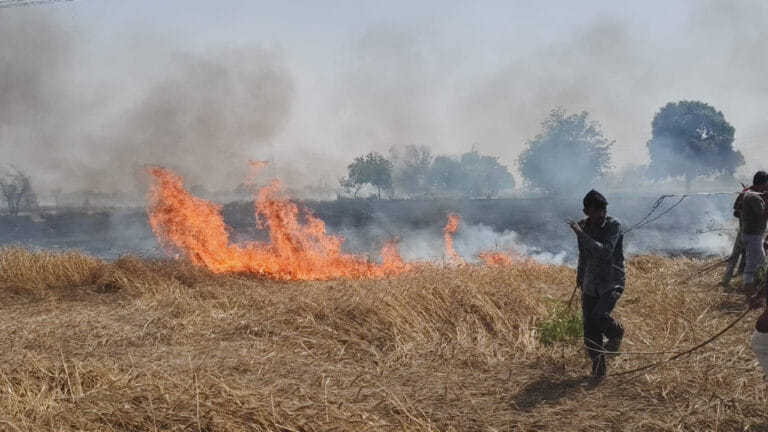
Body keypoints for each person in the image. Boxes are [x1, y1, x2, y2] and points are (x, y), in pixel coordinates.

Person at [567, 190, 625, 379]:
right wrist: (580, 275)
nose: (601, 214)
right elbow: (583, 253)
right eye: (596, 211)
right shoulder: (583, 226)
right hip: (591, 283)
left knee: (600, 316)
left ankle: (616, 333)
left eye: (603, 210)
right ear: (586, 211)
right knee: (589, 330)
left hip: (612, 281)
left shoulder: (613, 225)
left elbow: (605, 252)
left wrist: (581, 234)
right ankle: (599, 370)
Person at [742, 171, 768, 375]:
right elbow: (761, 215)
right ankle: (750, 291)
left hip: (752, 233)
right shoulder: (752, 196)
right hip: (752, 234)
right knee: (754, 264)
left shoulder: (752, 195)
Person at [721, 185, 751, 287]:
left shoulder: (748, 192)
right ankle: (743, 282)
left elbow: (736, 212)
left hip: (745, 230)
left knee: (740, 256)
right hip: (749, 232)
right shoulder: (751, 194)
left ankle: (732, 278)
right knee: (742, 256)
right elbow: (737, 211)